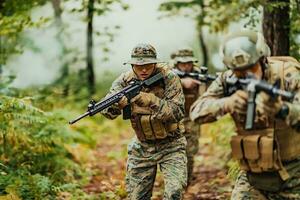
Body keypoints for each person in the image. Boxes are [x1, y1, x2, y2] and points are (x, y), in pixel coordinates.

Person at [190, 30, 300, 199]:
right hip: (252, 174)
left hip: (293, 174)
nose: (246, 75)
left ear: (262, 59)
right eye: (239, 72)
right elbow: (196, 112)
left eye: (251, 69)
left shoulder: (288, 74)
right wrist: (226, 104)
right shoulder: (227, 80)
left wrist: (282, 110)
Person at [101, 43, 187, 200]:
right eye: (138, 66)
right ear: (132, 65)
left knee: (174, 192)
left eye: (147, 65)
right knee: (137, 197)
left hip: (172, 144)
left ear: (155, 63)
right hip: (142, 146)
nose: (144, 70)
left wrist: (151, 100)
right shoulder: (124, 81)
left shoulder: (169, 78)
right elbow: (108, 113)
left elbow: (178, 112)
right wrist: (116, 106)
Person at [171, 48, 207, 184]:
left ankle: (186, 179)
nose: (186, 66)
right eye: (182, 63)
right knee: (173, 151)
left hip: (191, 118)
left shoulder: (199, 74)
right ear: (177, 63)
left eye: (188, 63)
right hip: (173, 119)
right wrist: (181, 82)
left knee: (190, 151)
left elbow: (206, 95)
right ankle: (175, 179)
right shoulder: (169, 74)